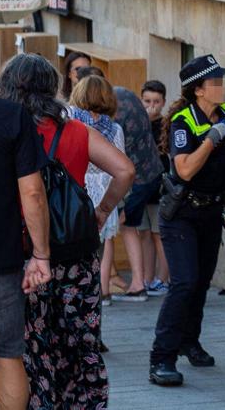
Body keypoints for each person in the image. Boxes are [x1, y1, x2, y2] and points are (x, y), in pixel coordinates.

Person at [0, 53, 135, 408]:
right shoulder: (75, 130)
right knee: (79, 341)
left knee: (34, 345)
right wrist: (102, 210)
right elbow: (125, 171)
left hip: (28, 255)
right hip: (76, 252)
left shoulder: (9, 129)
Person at [149, 54, 225, 386]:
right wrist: (211, 140)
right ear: (199, 90)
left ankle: (190, 341)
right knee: (184, 282)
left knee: (201, 282)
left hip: (211, 212)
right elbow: (185, 168)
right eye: (215, 82)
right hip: (182, 215)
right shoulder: (182, 120)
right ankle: (161, 357)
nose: (222, 86)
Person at [0, 58, 51, 409]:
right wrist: (41, 254)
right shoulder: (12, 116)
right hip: (0, 262)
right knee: (7, 358)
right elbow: (32, 192)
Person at [69, 75, 126, 307]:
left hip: (80, 185)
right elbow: (121, 165)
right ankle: (101, 290)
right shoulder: (114, 128)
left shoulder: (71, 120)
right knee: (104, 244)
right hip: (107, 189)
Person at [113, 87, 165, 302]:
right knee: (135, 229)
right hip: (149, 176)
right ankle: (143, 281)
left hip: (137, 180)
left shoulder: (116, 109)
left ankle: (142, 283)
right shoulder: (125, 95)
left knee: (130, 226)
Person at [139, 80, 170, 296]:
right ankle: (147, 278)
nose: (152, 106)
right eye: (148, 101)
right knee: (144, 234)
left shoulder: (166, 125)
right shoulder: (138, 123)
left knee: (159, 235)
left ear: (163, 102)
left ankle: (163, 279)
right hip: (141, 187)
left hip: (159, 187)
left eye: (156, 101)